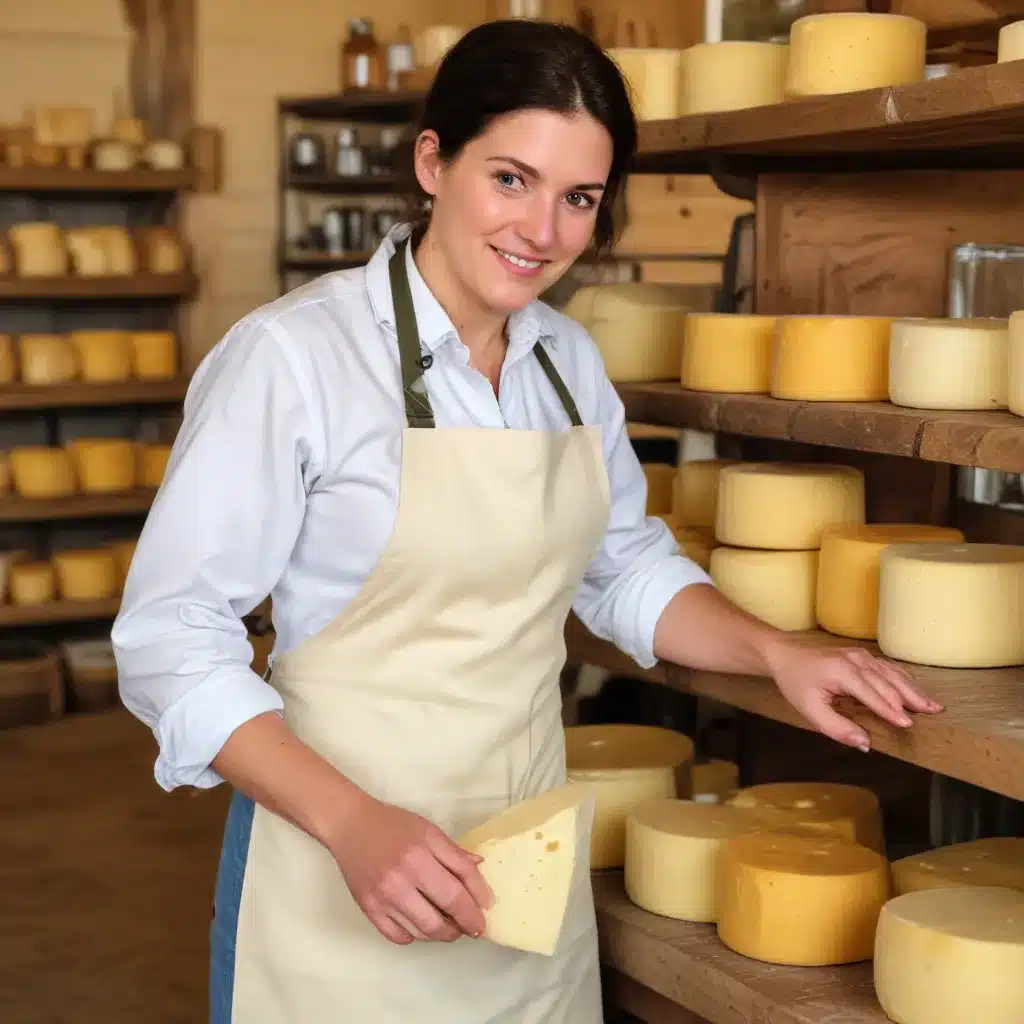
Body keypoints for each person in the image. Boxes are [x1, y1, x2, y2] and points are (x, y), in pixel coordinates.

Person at [112, 19, 941, 1024]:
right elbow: (170, 638)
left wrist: (775, 653)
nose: (541, 231)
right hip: (335, 865)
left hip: (519, 866)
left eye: (578, 198)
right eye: (510, 179)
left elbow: (624, 567)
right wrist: (357, 825)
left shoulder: (564, 364)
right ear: (432, 160)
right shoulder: (295, 359)